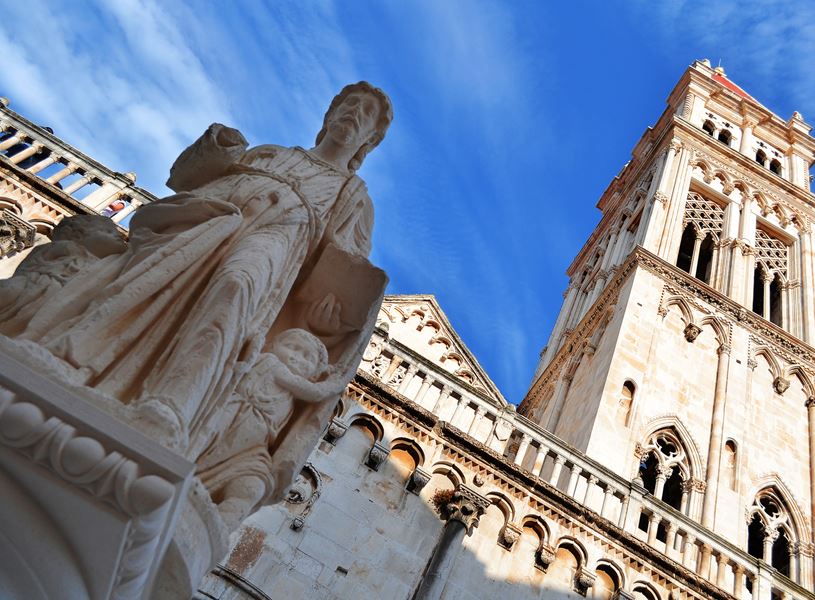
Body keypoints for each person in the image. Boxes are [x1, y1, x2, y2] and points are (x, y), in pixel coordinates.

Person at [17, 82, 392, 463]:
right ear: (329, 115)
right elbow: (185, 177)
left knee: (236, 287)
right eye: (349, 104)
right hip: (210, 215)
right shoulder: (271, 154)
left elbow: (342, 272)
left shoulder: (354, 197)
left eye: (366, 115)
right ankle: (72, 352)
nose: (353, 113)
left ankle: (172, 404)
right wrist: (218, 148)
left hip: (280, 238)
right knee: (149, 274)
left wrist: (324, 320)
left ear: (369, 141)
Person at [197, 328, 347, 529]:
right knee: (201, 446)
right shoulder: (272, 363)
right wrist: (335, 383)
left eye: (306, 357)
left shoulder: (290, 391)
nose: (296, 358)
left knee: (253, 486)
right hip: (232, 421)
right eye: (291, 347)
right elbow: (313, 392)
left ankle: (219, 527)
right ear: (272, 346)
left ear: (313, 373)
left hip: (253, 448)